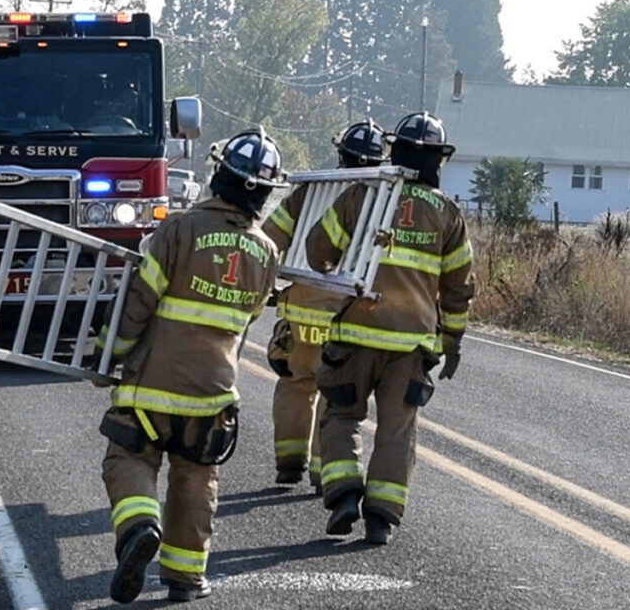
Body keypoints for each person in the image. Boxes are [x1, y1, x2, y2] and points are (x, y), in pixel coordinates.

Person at [97, 129, 284, 603]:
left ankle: (140, 526)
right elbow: (250, 317)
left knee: (130, 456)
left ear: (220, 175)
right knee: (196, 476)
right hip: (214, 391)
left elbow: (140, 298)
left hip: (152, 382)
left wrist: (111, 350)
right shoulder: (267, 252)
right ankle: (185, 576)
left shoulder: (180, 228)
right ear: (263, 192)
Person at [306, 112, 475, 545]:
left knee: (342, 415)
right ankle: (381, 517)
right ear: (438, 158)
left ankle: (343, 492)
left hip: (354, 334)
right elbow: (459, 287)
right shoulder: (448, 213)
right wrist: (451, 342)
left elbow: (317, 251)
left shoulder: (362, 197)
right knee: (397, 428)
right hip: (411, 345)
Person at [263, 121, 389, 493]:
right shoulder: (382, 200)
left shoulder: (310, 192)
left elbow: (271, 239)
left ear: (341, 154)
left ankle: (289, 463)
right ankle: (323, 472)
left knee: (294, 382)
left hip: (302, 306)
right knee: (334, 392)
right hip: (350, 314)